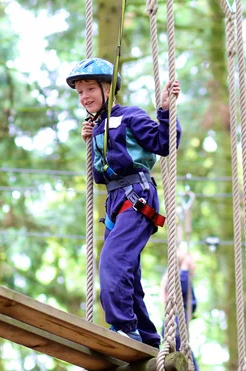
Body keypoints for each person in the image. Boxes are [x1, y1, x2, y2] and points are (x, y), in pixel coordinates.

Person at [66, 58, 181, 347]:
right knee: (128, 271)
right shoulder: (96, 128)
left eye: (90, 89)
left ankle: (123, 325)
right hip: (115, 202)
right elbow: (100, 175)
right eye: (80, 92)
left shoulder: (129, 116)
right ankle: (148, 337)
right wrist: (91, 142)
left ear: (108, 89)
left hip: (136, 195)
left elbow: (164, 143)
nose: (85, 97)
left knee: (114, 262)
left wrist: (165, 110)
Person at [160, 251, 200, 371]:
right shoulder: (178, 277)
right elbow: (178, 289)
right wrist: (184, 269)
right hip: (175, 326)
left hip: (175, 325)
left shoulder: (179, 278)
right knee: (181, 365)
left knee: (179, 365)